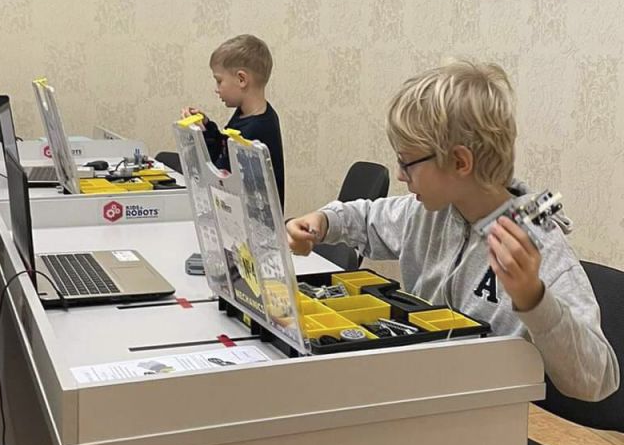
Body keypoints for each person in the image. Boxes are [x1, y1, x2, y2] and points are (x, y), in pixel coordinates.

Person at [286, 61, 618, 402]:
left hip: (486, 412)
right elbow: (366, 217)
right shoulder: (428, 212)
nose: (400, 175)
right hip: (426, 392)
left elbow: (597, 378)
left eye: (407, 162)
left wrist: (534, 298)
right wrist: (323, 222)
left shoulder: (538, 244)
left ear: (460, 162)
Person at [182, 33, 285, 207]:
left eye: (219, 81)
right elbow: (224, 150)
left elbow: (219, 176)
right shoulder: (247, 115)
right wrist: (207, 127)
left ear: (241, 79)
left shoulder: (256, 130)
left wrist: (201, 136)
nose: (217, 89)